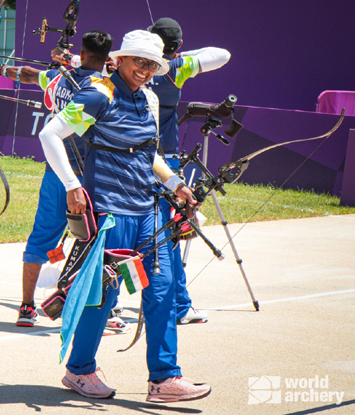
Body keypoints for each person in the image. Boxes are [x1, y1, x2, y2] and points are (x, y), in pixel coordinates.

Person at [38, 30, 211, 403]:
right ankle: (79, 370)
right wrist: (70, 185)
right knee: (103, 294)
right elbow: (50, 134)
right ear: (121, 60)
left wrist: (177, 183)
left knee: (161, 291)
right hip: (110, 212)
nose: (146, 70)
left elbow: (149, 154)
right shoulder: (100, 93)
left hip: (147, 209)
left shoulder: (149, 98)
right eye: (140, 62)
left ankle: (164, 379)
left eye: (152, 65)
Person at [0, 31, 128, 331]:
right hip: (92, 177)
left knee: (41, 237)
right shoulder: (105, 88)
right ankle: (107, 310)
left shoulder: (59, 78)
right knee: (101, 241)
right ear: (107, 57)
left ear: (83, 54)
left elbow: (26, 73)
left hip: (57, 173)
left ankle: (26, 307)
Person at [147, 17, 231, 324]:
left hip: (133, 159)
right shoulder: (177, 68)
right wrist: (175, 58)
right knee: (168, 235)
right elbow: (222, 54)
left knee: (128, 231)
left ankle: (111, 308)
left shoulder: (132, 67)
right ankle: (179, 307)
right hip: (164, 164)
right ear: (179, 46)